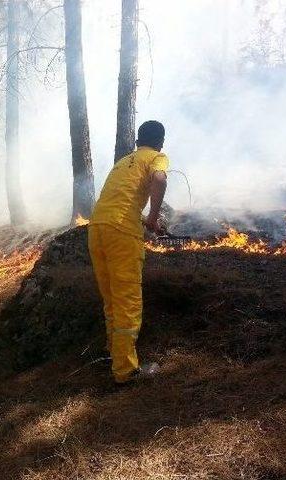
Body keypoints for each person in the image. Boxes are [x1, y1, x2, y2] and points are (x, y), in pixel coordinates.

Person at [87, 120, 169, 385]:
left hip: (97, 227)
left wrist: (145, 219)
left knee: (111, 295)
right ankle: (125, 370)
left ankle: (113, 351)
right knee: (128, 300)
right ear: (161, 142)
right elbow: (159, 178)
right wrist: (154, 217)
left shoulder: (123, 162)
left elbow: (122, 200)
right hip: (122, 232)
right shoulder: (157, 157)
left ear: (137, 141)